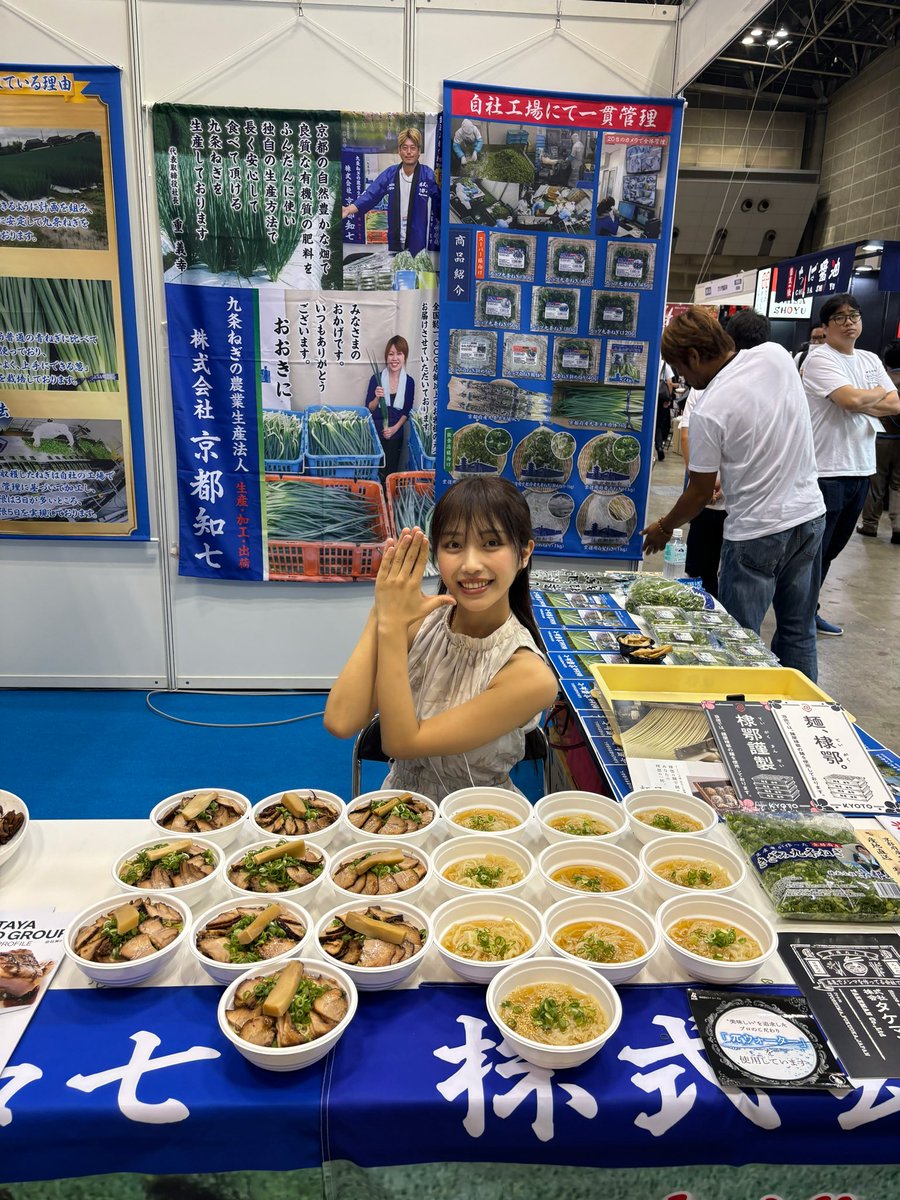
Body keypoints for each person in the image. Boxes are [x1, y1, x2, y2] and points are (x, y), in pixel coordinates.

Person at [324, 477, 559, 802]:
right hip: (400, 814)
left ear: (523, 553)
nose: (471, 564)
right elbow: (340, 720)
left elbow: (402, 743)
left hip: (482, 823)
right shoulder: (416, 624)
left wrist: (392, 627)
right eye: (454, 545)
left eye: (491, 544)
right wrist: (381, 611)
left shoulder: (529, 675)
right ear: (436, 554)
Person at [642, 307, 826, 681]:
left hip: (756, 534)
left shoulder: (710, 409)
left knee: (737, 641)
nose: (684, 378)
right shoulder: (775, 356)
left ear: (693, 357)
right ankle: (803, 716)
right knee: (799, 631)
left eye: (681, 368)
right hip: (809, 518)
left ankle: (741, 718)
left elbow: (699, 492)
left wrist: (664, 527)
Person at [801, 293, 900, 635]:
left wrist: (860, 400)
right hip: (826, 471)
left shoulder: (870, 358)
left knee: (831, 551)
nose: (849, 322)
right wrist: (865, 397)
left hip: (861, 469)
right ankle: (799, 616)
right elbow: (849, 399)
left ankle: (808, 608)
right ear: (825, 327)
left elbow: (895, 404)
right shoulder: (819, 359)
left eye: (854, 316)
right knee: (813, 551)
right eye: (840, 318)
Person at [679, 310, 773, 597]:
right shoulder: (704, 387)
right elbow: (686, 434)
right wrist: (703, 480)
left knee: (739, 589)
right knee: (701, 571)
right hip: (713, 499)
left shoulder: (714, 392)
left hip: (746, 508)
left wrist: (663, 526)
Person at [341, 128, 439, 257]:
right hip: (395, 237)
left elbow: (439, 201)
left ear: (419, 151)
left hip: (418, 237)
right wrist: (349, 209)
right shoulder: (390, 174)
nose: (408, 152)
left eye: (413, 148)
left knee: (415, 272)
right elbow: (371, 194)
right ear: (399, 150)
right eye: (404, 148)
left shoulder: (427, 175)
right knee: (396, 271)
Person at [857, 340, 900, 545]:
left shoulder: (882, 382)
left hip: (881, 438)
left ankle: (870, 524)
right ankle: (898, 525)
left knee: (876, 483)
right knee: (898, 484)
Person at [365, 335, 415, 483]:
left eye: (399, 353)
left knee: (390, 473)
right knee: (375, 472)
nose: (395, 358)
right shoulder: (376, 378)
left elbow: (407, 410)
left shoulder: (409, 382)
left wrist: (394, 429)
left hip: (395, 434)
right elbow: (369, 408)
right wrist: (376, 397)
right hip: (375, 433)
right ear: (386, 356)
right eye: (391, 354)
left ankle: (387, 501)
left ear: (404, 357)